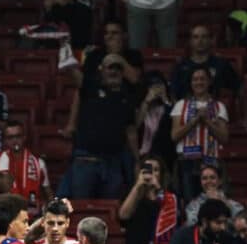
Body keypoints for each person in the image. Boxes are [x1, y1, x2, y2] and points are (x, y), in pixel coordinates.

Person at [62, 52, 137, 199]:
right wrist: (64, 48)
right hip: (86, 162)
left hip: (113, 164)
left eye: (118, 68)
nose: (114, 71)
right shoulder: (91, 89)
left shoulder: (127, 97)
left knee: (109, 209)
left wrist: (137, 160)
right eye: (110, 68)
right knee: (81, 208)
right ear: (101, 71)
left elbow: (131, 131)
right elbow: (72, 72)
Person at [118, 155, 177, 244]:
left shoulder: (170, 198)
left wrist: (156, 189)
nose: (151, 174)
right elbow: (123, 215)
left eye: (156, 170)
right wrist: (138, 187)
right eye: (147, 170)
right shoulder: (131, 193)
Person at [170, 66, 229, 202]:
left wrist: (207, 121)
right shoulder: (180, 105)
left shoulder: (219, 106)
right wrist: (195, 120)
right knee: (189, 203)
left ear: (209, 82)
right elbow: (174, 136)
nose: (199, 82)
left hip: (211, 161)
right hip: (186, 162)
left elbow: (224, 138)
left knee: (212, 202)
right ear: (191, 83)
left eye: (203, 79)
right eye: (195, 79)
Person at [169, 24, 241, 103]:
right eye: (196, 37)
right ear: (190, 41)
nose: (200, 41)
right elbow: (173, 94)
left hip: (215, 111)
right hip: (186, 111)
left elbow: (237, 89)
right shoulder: (180, 66)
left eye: (204, 37)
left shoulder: (222, 64)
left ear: (210, 40)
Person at [78, 19, 142, 100]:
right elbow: (83, 86)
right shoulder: (93, 56)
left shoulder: (134, 55)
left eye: (114, 33)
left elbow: (135, 79)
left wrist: (116, 56)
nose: (109, 36)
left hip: (125, 102)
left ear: (125, 36)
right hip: (98, 101)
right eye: (106, 33)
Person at [4, 120, 52, 216]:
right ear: (5, 140)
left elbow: (48, 194)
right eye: (10, 137)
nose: (14, 140)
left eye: (18, 136)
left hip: (32, 217)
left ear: (24, 137)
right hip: (7, 218)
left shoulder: (39, 163)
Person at [136, 71, 175, 170]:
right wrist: (147, 101)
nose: (156, 90)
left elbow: (172, 125)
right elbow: (136, 126)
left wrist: (165, 100)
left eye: (160, 85)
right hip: (143, 155)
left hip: (164, 156)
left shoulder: (171, 107)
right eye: (152, 86)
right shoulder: (140, 106)